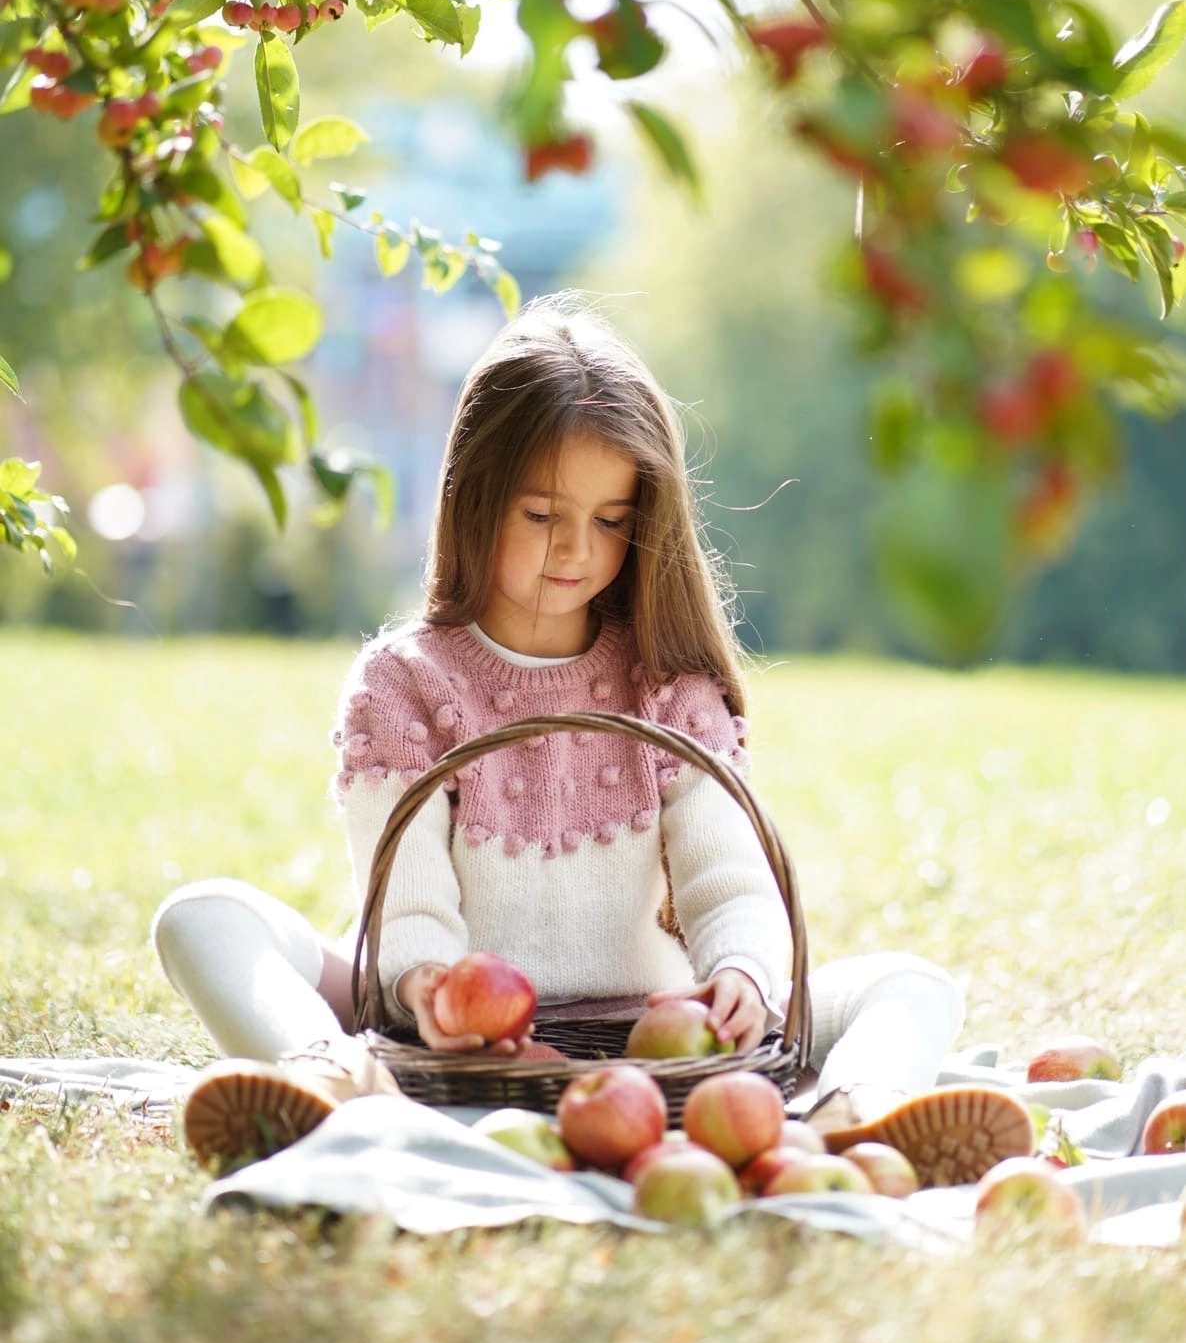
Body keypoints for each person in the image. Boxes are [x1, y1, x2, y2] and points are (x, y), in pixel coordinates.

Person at [154, 295, 1034, 1184]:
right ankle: (331, 1082)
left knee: (912, 983)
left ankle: (857, 1114)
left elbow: (731, 883)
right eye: (542, 515)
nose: (577, 549)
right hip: (442, 1045)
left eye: (611, 520)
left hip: (652, 1040)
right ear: (472, 497)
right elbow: (408, 910)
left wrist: (743, 976)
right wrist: (426, 986)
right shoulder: (405, 685)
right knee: (202, 917)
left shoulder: (665, 687)